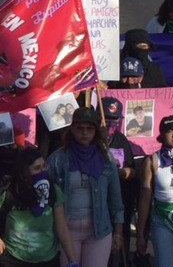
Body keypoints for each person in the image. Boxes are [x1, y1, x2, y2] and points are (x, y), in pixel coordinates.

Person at [0, 147, 78, 267]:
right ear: (25, 171)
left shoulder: (53, 191)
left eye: (44, 166)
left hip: (47, 259)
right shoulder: (9, 192)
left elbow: (62, 227)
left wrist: (72, 260)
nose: (42, 171)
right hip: (14, 258)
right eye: (37, 168)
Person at [47, 106, 124, 265]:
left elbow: (115, 198)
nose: (84, 133)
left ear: (96, 131)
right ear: (72, 129)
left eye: (89, 128)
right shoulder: (57, 159)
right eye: (80, 128)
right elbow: (47, 199)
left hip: (99, 230)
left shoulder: (106, 158)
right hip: (66, 231)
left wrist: (118, 232)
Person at [137, 115, 173, 265]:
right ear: (162, 134)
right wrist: (140, 233)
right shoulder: (153, 160)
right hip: (162, 220)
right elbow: (145, 198)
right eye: (170, 131)